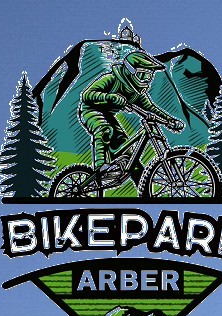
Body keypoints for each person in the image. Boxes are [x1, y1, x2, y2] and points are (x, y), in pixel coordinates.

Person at [74, 23, 177, 190]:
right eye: (142, 74)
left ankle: (143, 191)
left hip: (108, 114)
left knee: (129, 155)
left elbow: (151, 108)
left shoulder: (137, 92)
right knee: (104, 130)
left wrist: (170, 121)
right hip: (90, 110)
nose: (145, 80)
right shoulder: (112, 79)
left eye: (149, 76)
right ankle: (100, 168)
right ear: (130, 71)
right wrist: (111, 97)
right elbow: (87, 95)